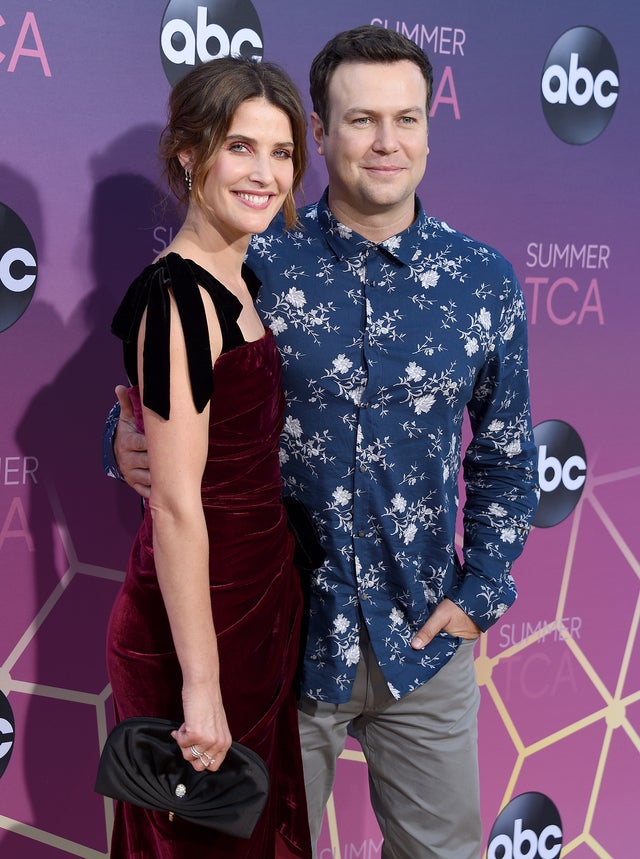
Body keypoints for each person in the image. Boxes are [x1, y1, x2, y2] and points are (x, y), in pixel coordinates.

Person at [105, 26, 539, 859]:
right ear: (323, 130)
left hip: (424, 639)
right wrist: (119, 434)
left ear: (428, 126)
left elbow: (508, 450)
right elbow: (184, 390)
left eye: (407, 119)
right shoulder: (254, 251)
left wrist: (482, 589)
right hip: (288, 638)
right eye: (362, 119)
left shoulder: (481, 279)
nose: (387, 142)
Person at [104, 56, 311, 859]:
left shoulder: (239, 273)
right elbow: (179, 503)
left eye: (283, 152)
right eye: (240, 147)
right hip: (194, 630)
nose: (265, 174)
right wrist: (201, 687)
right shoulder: (180, 295)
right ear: (189, 153)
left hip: (254, 608)